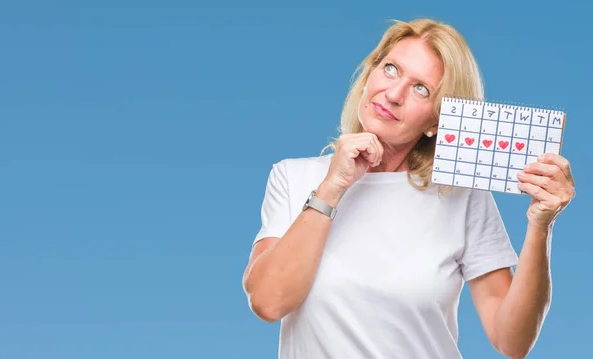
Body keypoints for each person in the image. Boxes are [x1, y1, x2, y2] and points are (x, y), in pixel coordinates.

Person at [241, 18, 575, 359]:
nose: (394, 94)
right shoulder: (293, 177)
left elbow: (512, 342)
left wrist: (540, 224)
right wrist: (332, 188)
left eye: (421, 89)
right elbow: (268, 302)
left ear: (436, 122)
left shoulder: (461, 195)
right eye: (390, 69)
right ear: (370, 72)